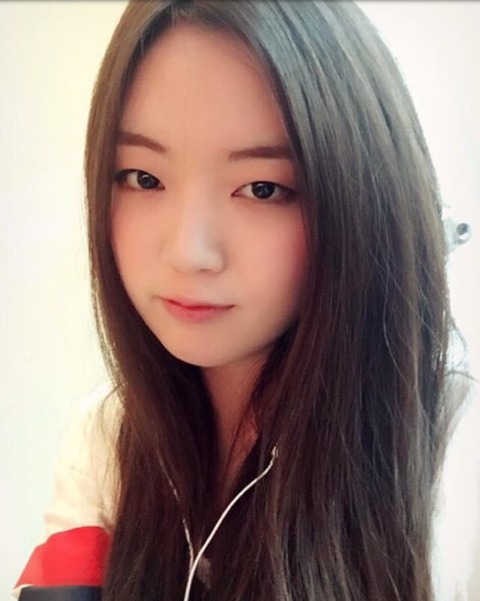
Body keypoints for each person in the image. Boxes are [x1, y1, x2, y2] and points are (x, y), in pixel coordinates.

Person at [13, 1, 479, 600]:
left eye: (262, 188)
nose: (189, 253)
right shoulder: (109, 437)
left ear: (364, 201)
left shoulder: (453, 462)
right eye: (144, 178)